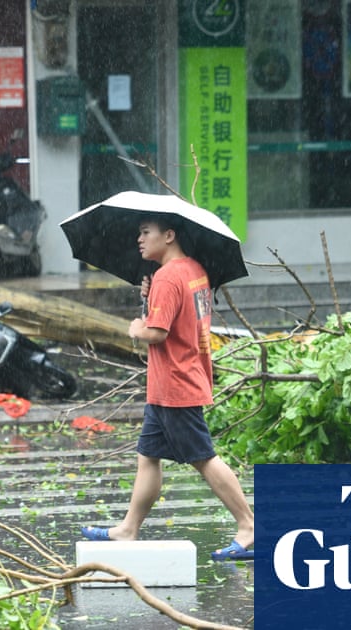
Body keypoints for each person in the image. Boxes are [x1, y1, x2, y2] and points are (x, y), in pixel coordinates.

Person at [81, 215, 255, 561]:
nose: (139, 240)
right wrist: (150, 300)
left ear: (169, 235)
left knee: (203, 458)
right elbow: (176, 322)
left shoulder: (168, 276)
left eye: (146, 233)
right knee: (148, 457)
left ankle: (249, 526)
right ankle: (129, 529)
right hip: (174, 381)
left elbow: (156, 333)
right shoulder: (193, 271)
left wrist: (135, 328)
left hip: (176, 384)